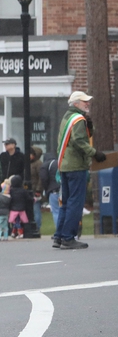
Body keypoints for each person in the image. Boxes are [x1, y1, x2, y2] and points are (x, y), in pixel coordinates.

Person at [53, 90, 106, 250]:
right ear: (76, 103)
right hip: (76, 166)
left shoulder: (67, 117)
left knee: (66, 203)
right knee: (75, 203)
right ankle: (68, 237)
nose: (87, 103)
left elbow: (76, 137)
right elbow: (79, 141)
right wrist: (94, 153)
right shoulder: (77, 119)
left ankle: (59, 236)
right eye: (84, 101)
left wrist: (90, 126)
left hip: (65, 165)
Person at [39, 154, 61, 237]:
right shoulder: (59, 163)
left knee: (56, 212)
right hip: (63, 190)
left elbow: (44, 179)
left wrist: (46, 189)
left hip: (53, 191)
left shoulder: (45, 165)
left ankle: (59, 232)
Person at [8, 175, 34, 240]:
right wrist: (34, 199)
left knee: (15, 222)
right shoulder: (23, 191)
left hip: (13, 210)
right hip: (22, 209)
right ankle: (19, 232)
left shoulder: (11, 191)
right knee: (20, 221)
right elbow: (28, 199)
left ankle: (16, 232)